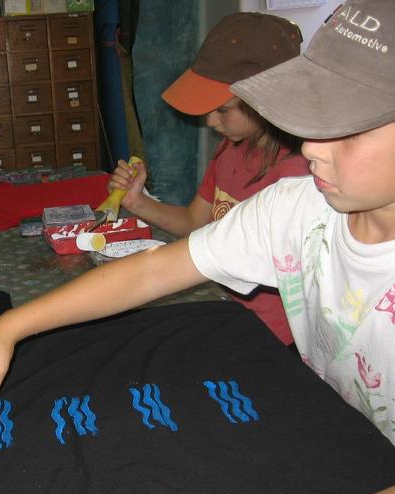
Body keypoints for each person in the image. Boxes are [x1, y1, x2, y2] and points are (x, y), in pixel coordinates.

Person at [0, 0, 395, 494]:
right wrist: (7, 327)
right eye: (313, 115)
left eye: (351, 130)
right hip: (340, 442)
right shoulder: (294, 208)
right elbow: (152, 271)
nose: (312, 145)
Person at [109, 12, 310, 347]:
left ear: (265, 101)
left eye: (222, 109)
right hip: (228, 312)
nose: (210, 120)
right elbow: (195, 222)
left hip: (275, 339)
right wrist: (137, 202)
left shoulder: (299, 175)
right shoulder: (230, 150)